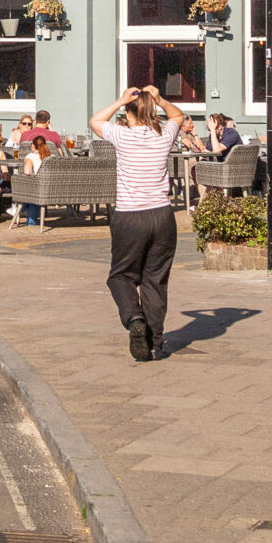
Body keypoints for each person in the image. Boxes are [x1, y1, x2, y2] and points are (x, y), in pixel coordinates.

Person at [92, 84, 185, 363]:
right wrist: (160, 99)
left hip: (130, 216)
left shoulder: (122, 135)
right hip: (162, 216)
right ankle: (155, 345)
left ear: (128, 115)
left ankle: (134, 318)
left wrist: (120, 100)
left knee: (120, 276)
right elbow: (177, 116)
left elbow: (96, 121)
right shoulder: (164, 135)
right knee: (155, 280)